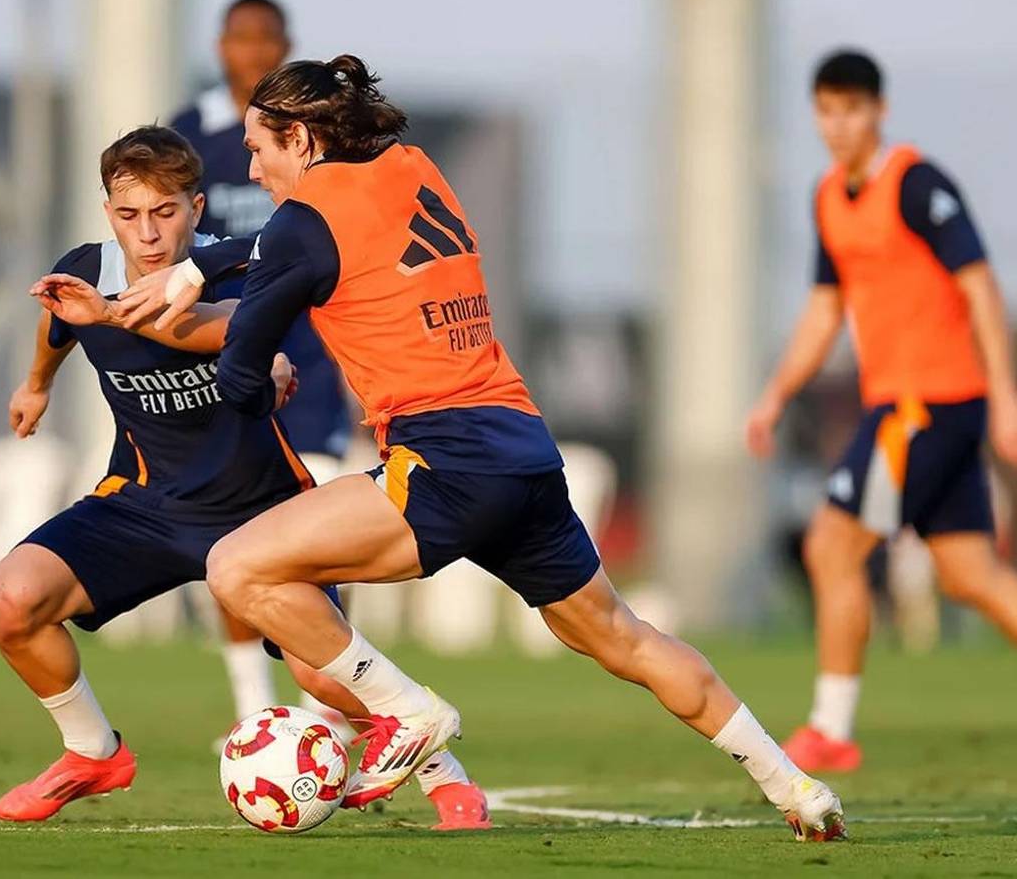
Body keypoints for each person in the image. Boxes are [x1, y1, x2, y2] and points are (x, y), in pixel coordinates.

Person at [113, 55, 846, 841]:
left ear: (301, 137)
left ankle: (406, 711)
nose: (252, 168)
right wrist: (197, 267)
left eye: (261, 147)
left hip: (444, 458)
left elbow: (243, 366)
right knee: (624, 636)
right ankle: (796, 787)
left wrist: (257, 381)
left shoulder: (302, 223)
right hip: (523, 450)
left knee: (237, 567)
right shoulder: (411, 165)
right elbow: (287, 244)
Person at [0, 125, 487, 829]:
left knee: (326, 672)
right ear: (109, 215)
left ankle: (446, 777)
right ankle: (91, 752)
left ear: (197, 208)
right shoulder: (87, 271)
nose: (150, 233)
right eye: (130, 215)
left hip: (263, 514)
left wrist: (117, 317)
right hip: (145, 505)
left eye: (166, 213)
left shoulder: (242, 271)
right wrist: (36, 383)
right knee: (11, 600)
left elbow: (222, 327)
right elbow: (58, 320)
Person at [745, 48, 1017, 773]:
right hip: (913, 407)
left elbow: (982, 287)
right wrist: (775, 393)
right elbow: (824, 310)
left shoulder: (915, 183)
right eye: (827, 111)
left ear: (879, 111)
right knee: (970, 577)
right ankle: (832, 726)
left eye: (852, 109)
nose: (838, 125)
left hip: (926, 405)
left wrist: (1007, 400)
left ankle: (831, 729)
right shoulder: (829, 197)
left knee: (831, 547)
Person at [167, 0, 354, 725]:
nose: (252, 52)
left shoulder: (318, 137)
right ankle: (254, 710)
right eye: (240, 39)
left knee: (332, 533)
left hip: (308, 357)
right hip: (229, 355)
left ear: (285, 45)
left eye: (266, 40)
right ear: (220, 46)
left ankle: (340, 703)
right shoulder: (191, 134)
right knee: (237, 536)